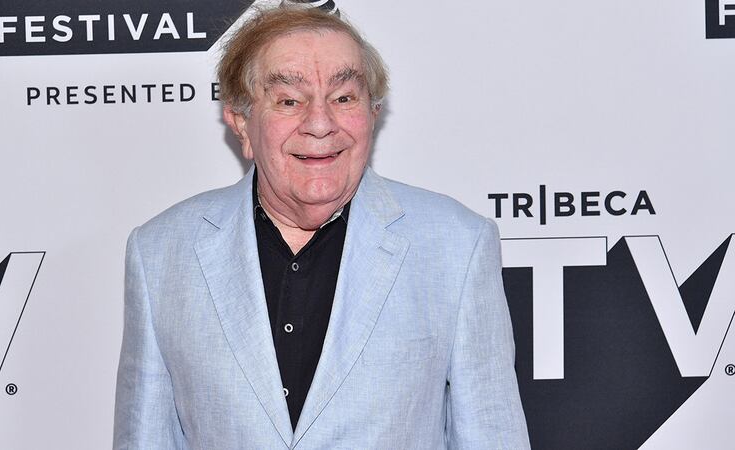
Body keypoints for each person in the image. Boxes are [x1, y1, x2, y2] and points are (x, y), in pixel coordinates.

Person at [114, 5, 530, 449]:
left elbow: (493, 434)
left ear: (373, 113)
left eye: (344, 98)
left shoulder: (457, 246)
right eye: (289, 101)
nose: (319, 124)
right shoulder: (161, 253)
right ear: (241, 123)